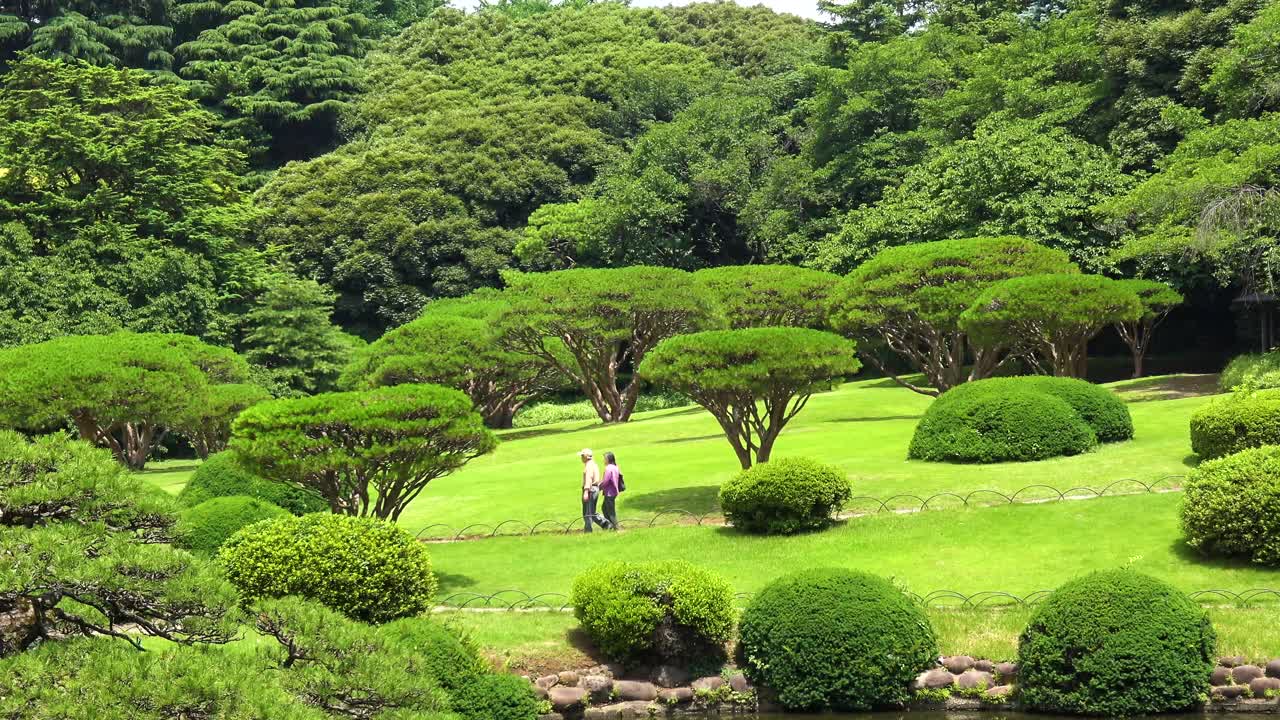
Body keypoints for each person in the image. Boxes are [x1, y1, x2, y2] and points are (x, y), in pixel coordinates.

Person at [579, 448, 607, 532]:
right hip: (595, 488)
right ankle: (606, 525)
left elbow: (589, 478)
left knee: (587, 513)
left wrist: (586, 491)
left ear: (586, 457)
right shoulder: (593, 464)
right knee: (591, 512)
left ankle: (588, 532)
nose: (581, 458)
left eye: (582, 456)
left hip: (590, 489)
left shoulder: (589, 466)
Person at [600, 451, 622, 531]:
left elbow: (605, 481)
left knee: (610, 511)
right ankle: (611, 525)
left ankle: (616, 528)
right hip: (613, 492)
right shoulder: (615, 467)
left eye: (604, 458)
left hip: (609, 493)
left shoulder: (608, 468)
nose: (603, 460)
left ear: (608, 459)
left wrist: (599, 487)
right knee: (604, 508)